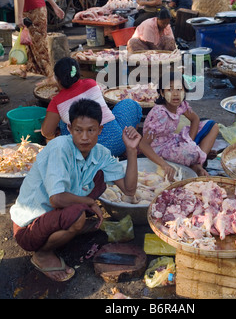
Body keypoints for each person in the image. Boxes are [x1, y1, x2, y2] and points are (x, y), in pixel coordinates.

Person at [11, 98, 141, 282]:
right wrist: (89, 203)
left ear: (100, 130)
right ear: (70, 129)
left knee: (99, 178)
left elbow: (129, 190)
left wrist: (132, 150)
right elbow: (56, 199)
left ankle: (69, 227)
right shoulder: (60, 147)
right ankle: (42, 255)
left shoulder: (100, 153)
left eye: (91, 130)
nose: (85, 137)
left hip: (53, 213)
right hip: (28, 228)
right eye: (78, 130)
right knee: (78, 216)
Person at [41, 57, 142, 157]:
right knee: (129, 103)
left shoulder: (56, 101)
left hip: (86, 153)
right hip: (117, 144)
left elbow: (46, 132)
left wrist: (55, 132)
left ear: (57, 80)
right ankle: (129, 146)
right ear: (78, 73)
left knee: (63, 121)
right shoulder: (91, 83)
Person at [139, 72, 219, 180]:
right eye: (170, 90)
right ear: (162, 93)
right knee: (190, 152)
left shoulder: (180, 105)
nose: (175, 94)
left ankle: (198, 163)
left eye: (179, 89)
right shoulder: (160, 113)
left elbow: (195, 119)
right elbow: (144, 145)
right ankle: (197, 161)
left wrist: (189, 142)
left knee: (213, 126)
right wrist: (164, 164)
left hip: (174, 140)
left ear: (184, 91)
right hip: (160, 149)